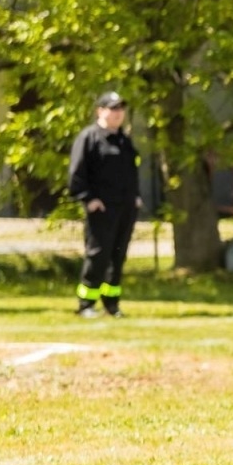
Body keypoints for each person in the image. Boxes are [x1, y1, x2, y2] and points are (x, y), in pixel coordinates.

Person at [67, 92, 142, 318]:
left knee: (117, 256)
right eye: (112, 108)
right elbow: (77, 173)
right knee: (98, 254)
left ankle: (112, 303)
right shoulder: (89, 138)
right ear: (100, 111)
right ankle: (86, 304)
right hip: (101, 209)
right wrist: (88, 199)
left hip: (125, 208)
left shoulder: (124, 140)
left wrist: (136, 197)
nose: (118, 113)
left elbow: (131, 173)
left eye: (120, 109)